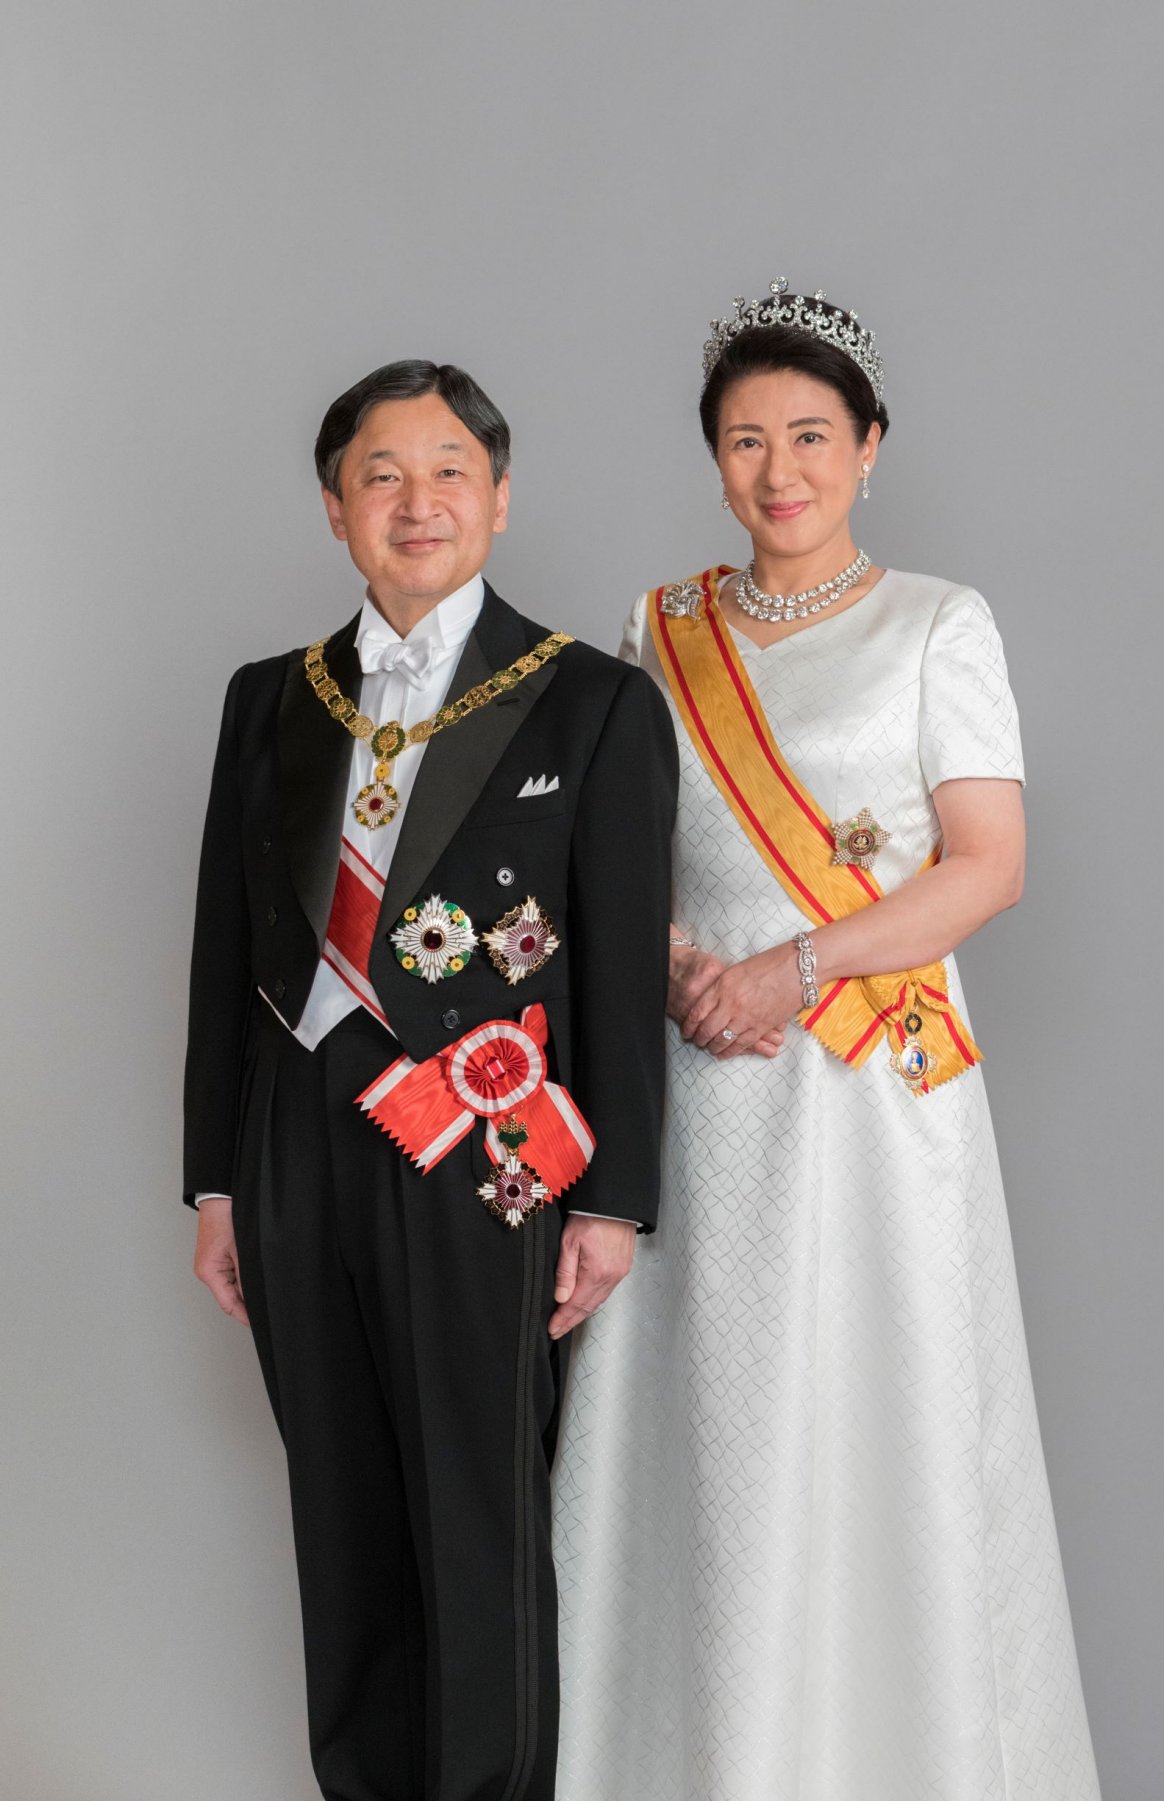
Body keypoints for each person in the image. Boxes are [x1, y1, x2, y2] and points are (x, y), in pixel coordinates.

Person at [553, 282, 1102, 1799]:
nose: (777, 469)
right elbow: (619, 857)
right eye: (744, 440)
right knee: (708, 1435)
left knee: (882, 1416)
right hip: (696, 1071)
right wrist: (676, 965)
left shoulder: (941, 621)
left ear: (870, 444)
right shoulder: (656, 628)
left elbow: (985, 863)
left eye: (809, 434)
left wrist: (793, 968)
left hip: (873, 1090)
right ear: (712, 458)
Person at [183, 358, 678, 1801]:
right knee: (341, 1520)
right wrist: (216, 1178)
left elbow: (616, 973)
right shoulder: (266, 700)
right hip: (291, 1149)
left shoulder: (589, 701)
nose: (420, 500)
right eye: (382, 474)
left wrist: (617, 1202)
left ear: (502, 498)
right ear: (336, 508)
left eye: (451, 468)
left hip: (485, 1154)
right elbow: (226, 946)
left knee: (475, 1520)